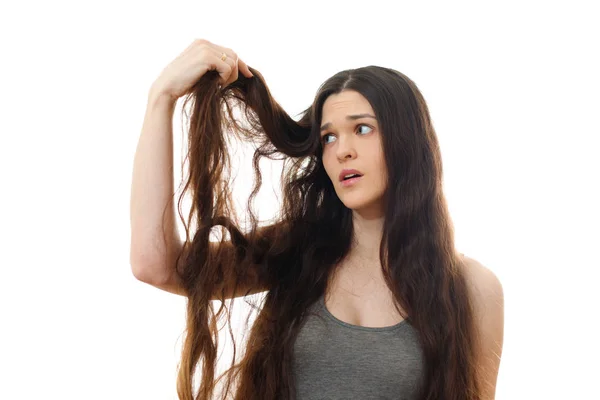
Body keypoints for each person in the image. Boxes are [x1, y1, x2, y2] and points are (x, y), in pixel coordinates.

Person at [129, 38, 504, 400]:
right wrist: (160, 98)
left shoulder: (471, 288)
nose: (342, 151)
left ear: (408, 140)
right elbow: (155, 264)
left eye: (362, 129)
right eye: (328, 138)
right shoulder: (298, 252)